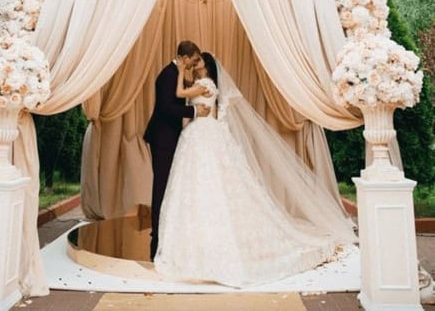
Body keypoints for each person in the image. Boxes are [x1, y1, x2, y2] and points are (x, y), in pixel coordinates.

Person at [153, 52, 357, 287]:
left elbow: (181, 94)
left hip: (202, 134)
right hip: (201, 134)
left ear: (205, 66)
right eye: (193, 60)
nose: (193, 64)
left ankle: (210, 242)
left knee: (207, 182)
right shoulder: (203, 84)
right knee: (200, 183)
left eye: (197, 61)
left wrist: (180, 72)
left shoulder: (205, 84)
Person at [144, 41, 211, 261]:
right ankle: (158, 228)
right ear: (184, 57)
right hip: (162, 137)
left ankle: (166, 224)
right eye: (192, 59)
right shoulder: (168, 75)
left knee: (168, 183)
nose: (193, 63)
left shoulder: (176, 73)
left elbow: (185, 91)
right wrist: (194, 110)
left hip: (170, 136)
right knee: (161, 184)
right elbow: (167, 108)